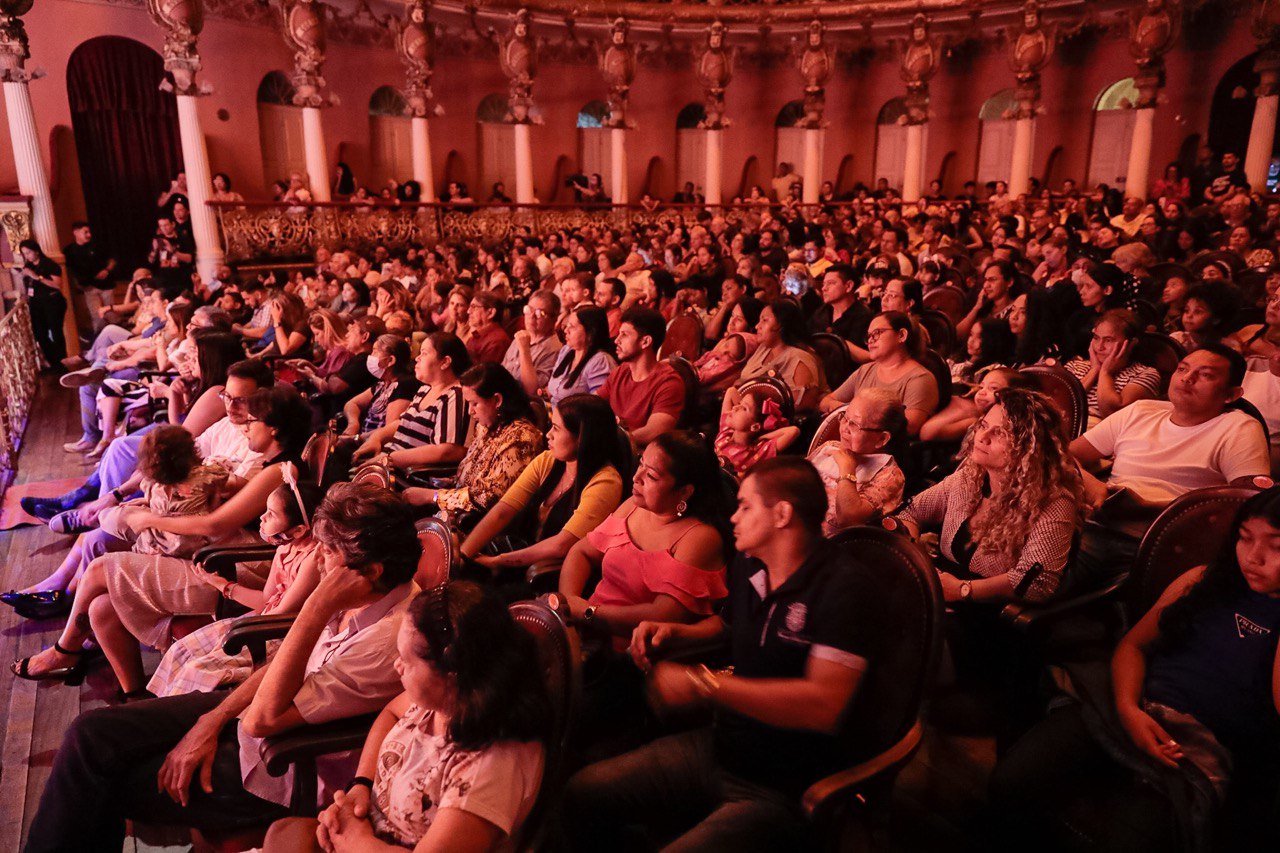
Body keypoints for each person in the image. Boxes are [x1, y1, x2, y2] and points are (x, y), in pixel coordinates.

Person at [23, 482, 422, 852]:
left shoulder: (386, 640)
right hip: (257, 714)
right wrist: (212, 720)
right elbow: (286, 665)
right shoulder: (364, 593)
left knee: (104, 782)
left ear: (371, 571)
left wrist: (316, 607)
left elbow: (262, 721)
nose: (318, 561)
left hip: (281, 765)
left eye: (329, 553)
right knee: (91, 732)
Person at [564, 457, 892, 850]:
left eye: (746, 506)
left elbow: (823, 704)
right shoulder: (751, 566)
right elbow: (730, 629)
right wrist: (675, 635)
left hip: (783, 783)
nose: (733, 518)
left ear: (782, 514)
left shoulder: (845, 590)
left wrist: (706, 686)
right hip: (723, 743)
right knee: (579, 794)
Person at [991, 488, 1280, 851]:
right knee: (1012, 782)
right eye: (1245, 538)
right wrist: (1129, 710)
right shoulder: (1202, 580)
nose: (1254, 557)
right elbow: (1133, 646)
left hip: (1196, 749)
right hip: (1130, 704)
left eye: (1277, 546)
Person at [12, 388, 312, 698]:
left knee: (100, 569)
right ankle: (134, 695)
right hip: (217, 549)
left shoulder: (278, 472)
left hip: (238, 563)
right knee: (102, 608)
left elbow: (216, 523)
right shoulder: (264, 466)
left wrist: (150, 520)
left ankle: (65, 650)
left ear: (273, 428)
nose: (244, 427)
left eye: (251, 421)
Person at [261, 581, 551, 853]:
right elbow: (389, 712)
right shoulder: (445, 699)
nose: (397, 666)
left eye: (407, 661)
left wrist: (355, 839)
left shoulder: (489, 767)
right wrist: (360, 786)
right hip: (370, 832)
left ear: (452, 674)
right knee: (282, 832)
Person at [1071, 345, 1272, 588]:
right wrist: (1091, 482)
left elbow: (1251, 503)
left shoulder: (1238, 428)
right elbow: (1064, 455)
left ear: (1230, 394)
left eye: (1206, 375)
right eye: (1182, 369)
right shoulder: (1141, 411)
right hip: (1099, 514)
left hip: (1159, 536)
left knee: (1043, 569)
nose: (1187, 378)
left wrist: (1160, 508)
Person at [147, 475, 323, 697]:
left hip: (279, 635)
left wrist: (231, 637)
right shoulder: (285, 548)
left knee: (197, 669)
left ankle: (182, 720)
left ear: (298, 530)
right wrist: (223, 585)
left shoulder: (312, 561)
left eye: (271, 514)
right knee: (180, 650)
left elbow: (280, 614)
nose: (262, 517)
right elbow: (265, 600)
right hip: (262, 620)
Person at [557, 431, 727, 645]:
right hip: (586, 628)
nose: (636, 478)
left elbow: (664, 615)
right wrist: (569, 606)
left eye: (652, 476)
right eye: (640, 464)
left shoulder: (700, 538)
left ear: (685, 491)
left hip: (631, 649)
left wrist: (588, 613)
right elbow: (581, 552)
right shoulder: (633, 507)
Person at [460, 394, 626, 577]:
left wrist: (498, 561)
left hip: (550, 574)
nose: (548, 434)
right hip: (521, 553)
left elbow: (561, 545)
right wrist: (464, 555)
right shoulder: (548, 460)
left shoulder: (605, 482)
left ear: (582, 438)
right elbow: (503, 511)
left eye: (556, 429)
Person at [401, 363, 545, 526]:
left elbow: (488, 498)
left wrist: (432, 496)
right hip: (456, 508)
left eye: (475, 403)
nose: (470, 411)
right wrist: (443, 483)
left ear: (497, 400)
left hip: (480, 524)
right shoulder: (487, 425)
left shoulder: (522, 438)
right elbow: (470, 475)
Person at [360, 332, 471, 469]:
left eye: (424, 353)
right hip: (388, 461)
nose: (417, 358)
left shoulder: (455, 395)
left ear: (445, 362)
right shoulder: (424, 389)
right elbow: (403, 423)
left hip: (407, 476)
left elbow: (448, 451)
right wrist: (377, 438)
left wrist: (389, 459)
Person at [819, 311, 940, 436]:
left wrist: (853, 414)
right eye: (868, 336)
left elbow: (909, 427)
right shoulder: (865, 370)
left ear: (901, 335)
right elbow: (826, 401)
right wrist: (842, 408)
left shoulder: (920, 378)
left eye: (877, 333)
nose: (870, 340)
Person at [807, 389, 908, 536]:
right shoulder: (830, 447)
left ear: (882, 439)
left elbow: (848, 520)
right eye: (845, 418)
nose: (844, 428)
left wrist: (846, 468)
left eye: (854, 424)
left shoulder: (890, 476)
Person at [597, 307, 687, 446]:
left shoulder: (669, 382)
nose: (616, 340)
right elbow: (592, 403)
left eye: (624, 335)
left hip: (638, 458)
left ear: (645, 342)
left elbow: (654, 431)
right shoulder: (621, 371)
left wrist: (612, 440)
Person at [1065, 309, 1163, 427]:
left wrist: (1105, 373)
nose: (1100, 347)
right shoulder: (1075, 365)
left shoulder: (1146, 373)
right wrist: (1094, 371)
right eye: (1096, 338)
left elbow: (1112, 412)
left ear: (1131, 343)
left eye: (1108, 340)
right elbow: (1059, 406)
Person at [725, 300, 824, 413]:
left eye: (765, 320)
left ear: (781, 324)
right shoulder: (764, 348)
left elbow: (804, 405)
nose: (757, 326)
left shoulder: (799, 358)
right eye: (759, 320)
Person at [714, 388, 799, 480]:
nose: (734, 407)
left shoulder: (757, 452)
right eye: (739, 404)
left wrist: (764, 436)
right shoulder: (725, 433)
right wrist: (742, 407)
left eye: (744, 408)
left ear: (755, 427)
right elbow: (731, 391)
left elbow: (794, 431)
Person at [546, 306, 616, 404]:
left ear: (591, 333)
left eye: (572, 327)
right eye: (567, 326)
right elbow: (551, 389)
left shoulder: (600, 361)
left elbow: (597, 405)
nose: (566, 331)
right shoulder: (566, 350)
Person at [16, 239, 68, 368]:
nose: (27, 256)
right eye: (24, 254)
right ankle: (54, 361)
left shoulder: (49, 264)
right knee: (39, 333)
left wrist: (36, 277)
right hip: (36, 303)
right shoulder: (28, 267)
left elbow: (57, 285)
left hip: (52, 301)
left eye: (28, 252)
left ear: (36, 251)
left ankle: (62, 362)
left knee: (56, 332)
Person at [62, 221, 118, 337]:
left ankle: (118, 335)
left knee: (112, 314)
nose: (89, 235)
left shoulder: (98, 245)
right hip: (88, 287)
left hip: (106, 285)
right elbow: (67, 270)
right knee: (96, 316)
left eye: (89, 232)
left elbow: (112, 259)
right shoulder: (70, 251)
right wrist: (76, 283)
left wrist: (106, 270)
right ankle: (101, 338)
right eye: (85, 232)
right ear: (76, 233)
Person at [502, 289, 561, 397]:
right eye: (529, 310)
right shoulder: (521, 336)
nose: (531, 316)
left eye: (539, 313)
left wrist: (524, 350)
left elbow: (532, 392)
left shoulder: (555, 350)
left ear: (554, 319)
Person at [465, 291, 513, 365]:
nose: (468, 311)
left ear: (491, 313)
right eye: (470, 306)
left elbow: (484, 374)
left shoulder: (497, 341)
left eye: (474, 307)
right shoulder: (477, 334)